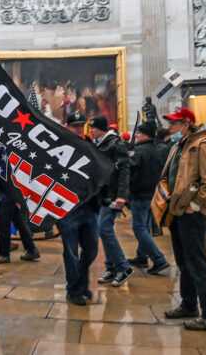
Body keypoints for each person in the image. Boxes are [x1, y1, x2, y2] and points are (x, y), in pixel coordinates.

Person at [160, 107, 206, 331]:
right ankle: (188, 305)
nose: (170, 127)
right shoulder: (179, 146)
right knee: (184, 262)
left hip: (192, 213)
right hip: (177, 210)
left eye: (174, 124)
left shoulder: (202, 145)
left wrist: (194, 205)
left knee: (198, 263)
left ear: (186, 125)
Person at [56, 112, 100, 305]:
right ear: (67, 127)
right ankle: (74, 289)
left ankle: (82, 283)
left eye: (81, 126)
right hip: (68, 209)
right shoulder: (58, 148)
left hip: (89, 206)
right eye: (75, 126)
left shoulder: (90, 146)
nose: (79, 129)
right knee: (72, 252)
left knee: (91, 249)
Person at [90, 115, 133, 287]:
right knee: (104, 230)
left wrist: (122, 194)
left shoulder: (115, 143)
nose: (91, 131)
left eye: (93, 128)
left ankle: (123, 267)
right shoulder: (97, 144)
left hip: (113, 194)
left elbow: (124, 169)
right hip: (102, 194)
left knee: (104, 228)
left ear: (101, 129)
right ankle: (112, 267)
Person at [127, 123, 169, 274]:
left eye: (139, 132)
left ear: (146, 135)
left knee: (139, 228)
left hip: (140, 194)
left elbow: (130, 172)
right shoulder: (158, 149)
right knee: (145, 226)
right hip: (154, 194)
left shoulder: (138, 151)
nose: (136, 134)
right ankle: (142, 257)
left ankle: (159, 259)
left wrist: (128, 189)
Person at [0, 191, 40, 264]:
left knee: (4, 222)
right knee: (18, 220)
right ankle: (31, 249)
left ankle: (4, 254)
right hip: (9, 191)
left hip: (7, 191)